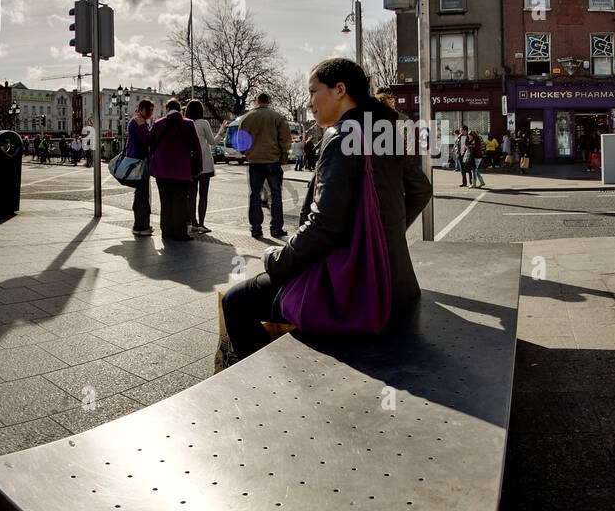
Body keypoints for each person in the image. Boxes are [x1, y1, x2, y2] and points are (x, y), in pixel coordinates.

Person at [216, 57, 434, 371]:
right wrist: (387, 235)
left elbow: (325, 225)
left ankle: (266, 385)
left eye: (313, 92)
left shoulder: (341, 136)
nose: (309, 104)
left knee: (235, 301)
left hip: (357, 290)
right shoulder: (380, 131)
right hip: (398, 285)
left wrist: (277, 260)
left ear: (339, 90)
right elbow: (421, 189)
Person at [145, 99, 204, 243]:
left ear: (167, 109)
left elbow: (149, 143)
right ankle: (180, 232)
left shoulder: (158, 123)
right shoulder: (188, 123)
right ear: (179, 110)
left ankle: (166, 231)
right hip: (182, 169)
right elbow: (196, 148)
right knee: (181, 201)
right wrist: (198, 167)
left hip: (162, 169)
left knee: (165, 201)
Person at [238, 91, 292, 242]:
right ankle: (276, 228)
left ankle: (256, 229)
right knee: (276, 195)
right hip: (272, 160)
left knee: (254, 195)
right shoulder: (277, 117)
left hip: (254, 162)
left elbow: (241, 144)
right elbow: (285, 140)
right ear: (269, 101)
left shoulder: (246, 118)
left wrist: (248, 153)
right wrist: (283, 156)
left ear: (257, 102)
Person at [124, 99, 160, 237]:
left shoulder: (140, 121)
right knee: (141, 194)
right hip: (138, 161)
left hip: (139, 160)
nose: (151, 113)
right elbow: (147, 139)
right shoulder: (137, 121)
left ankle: (143, 224)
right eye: (149, 110)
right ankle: (139, 225)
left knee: (142, 193)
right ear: (142, 109)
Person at [186, 101, 220, 235]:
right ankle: (201, 223)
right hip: (205, 162)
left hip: (191, 163)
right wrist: (222, 131)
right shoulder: (203, 123)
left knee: (192, 195)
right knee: (203, 195)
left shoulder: (187, 123)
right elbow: (213, 142)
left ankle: (193, 222)